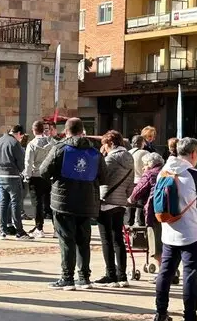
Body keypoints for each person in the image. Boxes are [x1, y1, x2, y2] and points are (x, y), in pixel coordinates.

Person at [152, 137, 197, 321]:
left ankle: (160, 314)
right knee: (190, 274)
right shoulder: (194, 174)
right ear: (194, 154)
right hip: (190, 232)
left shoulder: (164, 170)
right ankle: (189, 320)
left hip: (168, 230)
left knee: (166, 272)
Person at [40, 118, 105, 290]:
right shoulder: (94, 151)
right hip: (87, 201)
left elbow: (43, 171)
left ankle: (67, 278)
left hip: (64, 201)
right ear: (82, 130)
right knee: (84, 240)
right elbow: (104, 176)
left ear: (66, 131)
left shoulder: (60, 149)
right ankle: (84, 278)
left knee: (66, 240)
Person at [95, 131, 135, 288]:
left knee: (106, 240)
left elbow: (101, 178)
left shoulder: (110, 158)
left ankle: (110, 274)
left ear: (110, 143)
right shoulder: (129, 157)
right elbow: (131, 183)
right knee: (119, 239)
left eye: (105, 144)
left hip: (106, 201)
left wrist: (101, 157)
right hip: (120, 202)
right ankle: (122, 275)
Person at [0, 125, 30, 240]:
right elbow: (21, 163)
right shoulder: (14, 143)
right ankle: (20, 231)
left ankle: (3, 230)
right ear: (18, 133)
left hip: (0, 176)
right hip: (12, 176)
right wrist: (21, 171)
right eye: (21, 137)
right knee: (15, 203)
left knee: (3, 203)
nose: (21, 139)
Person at [130, 151, 165, 273]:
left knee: (156, 245)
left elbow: (137, 192)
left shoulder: (149, 174)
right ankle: (171, 270)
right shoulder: (167, 172)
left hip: (154, 213)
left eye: (144, 164)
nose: (143, 168)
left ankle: (162, 272)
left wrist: (130, 199)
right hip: (171, 214)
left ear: (150, 164)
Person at [23, 120, 53, 237]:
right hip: (48, 176)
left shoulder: (32, 144)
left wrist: (27, 176)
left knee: (37, 204)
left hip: (36, 176)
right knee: (49, 203)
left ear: (34, 130)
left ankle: (39, 228)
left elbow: (28, 162)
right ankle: (56, 229)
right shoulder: (51, 143)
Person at [126, 135, 148, 226]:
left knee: (130, 203)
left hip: (130, 181)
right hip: (141, 181)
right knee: (140, 204)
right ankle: (139, 222)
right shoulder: (145, 153)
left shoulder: (127, 153)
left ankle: (129, 222)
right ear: (142, 143)